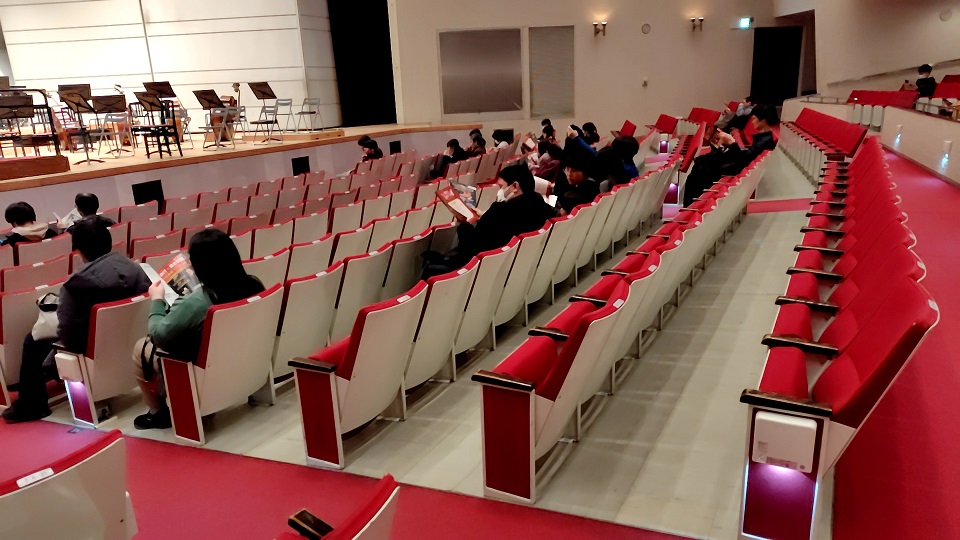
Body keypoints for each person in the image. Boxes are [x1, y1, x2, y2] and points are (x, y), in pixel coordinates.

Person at [2, 217, 150, 423]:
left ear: (78, 251)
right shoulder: (135, 268)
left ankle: (32, 405)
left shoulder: (76, 284)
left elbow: (68, 335)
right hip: (131, 341)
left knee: (33, 341)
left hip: (93, 349)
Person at [132, 229, 264, 430]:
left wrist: (157, 300)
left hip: (204, 371)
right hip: (244, 362)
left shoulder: (198, 302)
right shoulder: (254, 285)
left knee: (141, 347)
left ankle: (157, 413)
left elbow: (159, 336)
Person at [421, 164, 555, 278]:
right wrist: (486, 216)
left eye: (501, 186)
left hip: (483, 271)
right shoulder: (541, 206)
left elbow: (472, 248)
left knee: (430, 266)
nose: (499, 191)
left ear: (514, 186)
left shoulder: (500, 211)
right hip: (518, 268)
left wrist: (463, 224)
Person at [682, 105, 779, 206]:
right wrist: (728, 145)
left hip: (738, 169)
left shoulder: (764, 141)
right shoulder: (764, 138)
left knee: (700, 170)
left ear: (763, 120)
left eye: (754, 118)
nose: (752, 121)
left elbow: (744, 161)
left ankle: (692, 205)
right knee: (703, 161)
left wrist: (732, 143)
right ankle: (691, 204)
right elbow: (746, 156)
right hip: (739, 165)